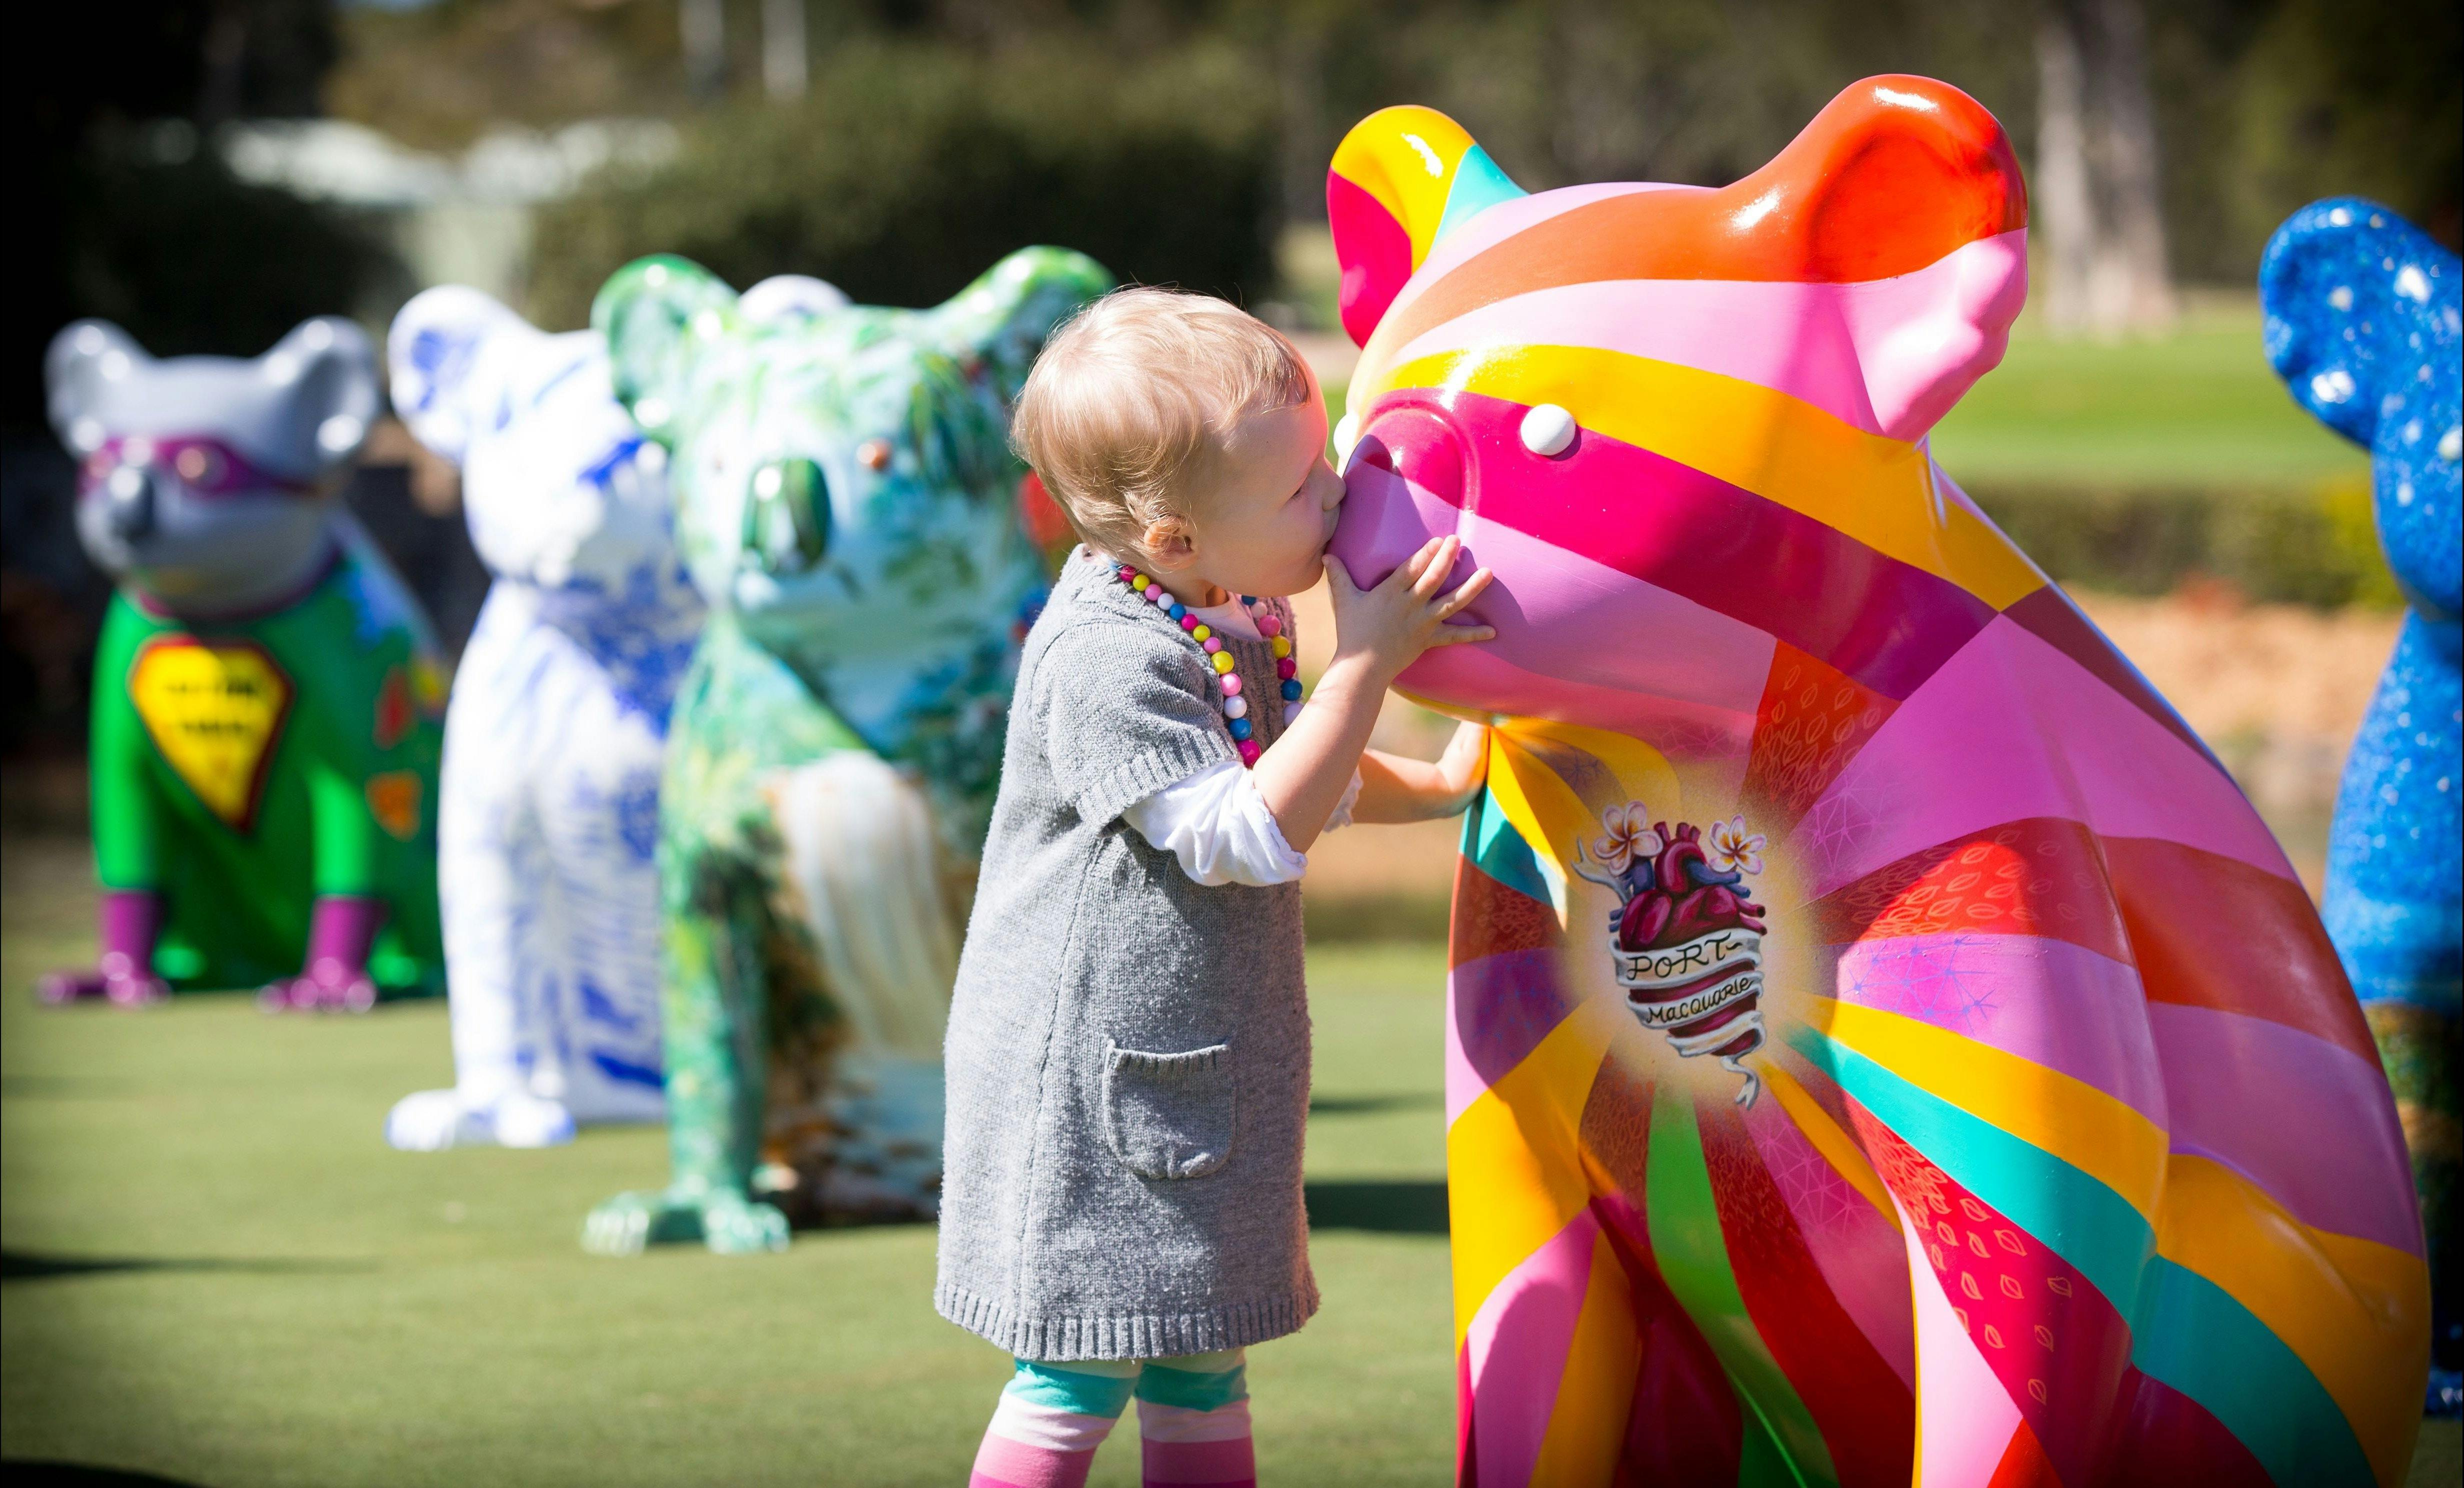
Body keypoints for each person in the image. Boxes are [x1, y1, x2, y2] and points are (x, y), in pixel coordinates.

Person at [936, 288, 1494, 1488]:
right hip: (1090, 1086)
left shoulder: (1220, 611)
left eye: (1326, 459)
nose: (1336, 494)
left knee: (1202, 1349)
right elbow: (1246, 828)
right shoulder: (1110, 655)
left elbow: (1298, 769)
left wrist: (1441, 783)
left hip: (1192, 1064)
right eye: (1300, 489)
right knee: (1079, 1362)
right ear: (1176, 534)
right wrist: (1366, 660)